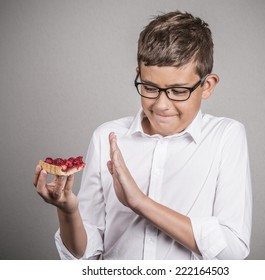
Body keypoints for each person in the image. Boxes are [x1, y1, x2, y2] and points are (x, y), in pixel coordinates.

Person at [33, 11, 252, 260]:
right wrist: (68, 211)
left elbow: (232, 251)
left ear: (207, 86)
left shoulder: (225, 137)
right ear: (138, 75)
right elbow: (85, 256)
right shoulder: (107, 136)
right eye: (149, 88)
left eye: (178, 91)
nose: (161, 105)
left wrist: (139, 202)